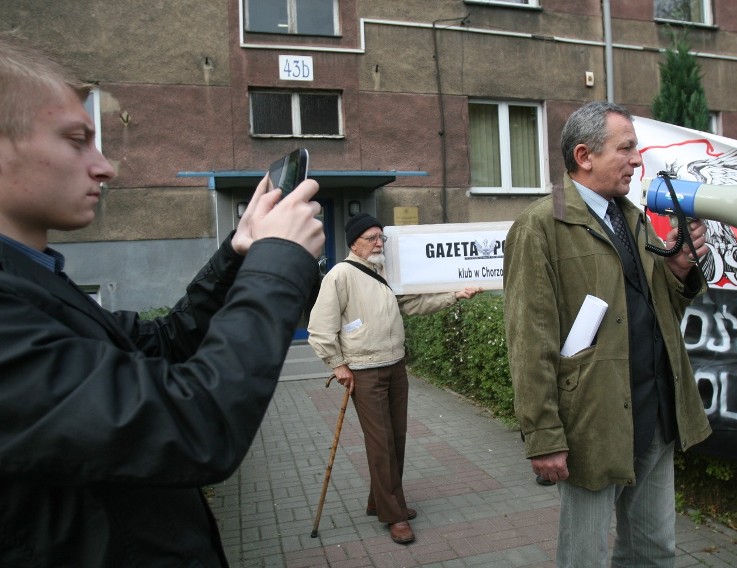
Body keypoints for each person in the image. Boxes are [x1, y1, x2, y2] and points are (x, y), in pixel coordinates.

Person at [0, 34, 325, 566]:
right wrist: (280, 260)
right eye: (77, 139)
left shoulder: (34, 282)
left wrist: (240, 253)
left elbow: (161, 345)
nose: (105, 167)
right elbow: (193, 424)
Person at [503, 101, 713, 567]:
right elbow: (528, 340)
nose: (639, 159)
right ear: (584, 155)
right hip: (593, 423)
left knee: (654, 551)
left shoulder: (633, 217)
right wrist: (544, 436)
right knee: (585, 557)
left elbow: (658, 313)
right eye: (627, 148)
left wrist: (678, 272)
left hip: (655, 413)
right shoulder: (540, 226)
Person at [307, 213, 482, 545]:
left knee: (396, 438)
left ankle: (381, 501)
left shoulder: (384, 272)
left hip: (395, 365)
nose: (378, 243)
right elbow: (319, 328)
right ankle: (394, 515)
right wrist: (337, 364)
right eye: (371, 237)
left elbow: (413, 304)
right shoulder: (340, 275)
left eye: (381, 237)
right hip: (363, 370)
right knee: (381, 442)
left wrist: (455, 295)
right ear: (353, 242)